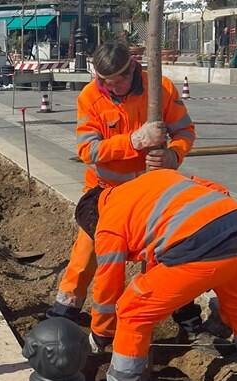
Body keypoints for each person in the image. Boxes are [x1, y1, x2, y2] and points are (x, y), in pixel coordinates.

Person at [75, 169, 237, 381]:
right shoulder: (151, 182)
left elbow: (108, 291)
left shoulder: (108, 222)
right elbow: (217, 189)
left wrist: (101, 334)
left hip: (201, 249)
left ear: (92, 221)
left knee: (132, 310)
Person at [46, 41, 196, 337]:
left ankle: (185, 313)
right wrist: (133, 142)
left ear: (133, 69)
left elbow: (185, 131)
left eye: (119, 80)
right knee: (88, 249)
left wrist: (173, 155)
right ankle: (65, 308)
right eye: (106, 82)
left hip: (153, 191)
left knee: (164, 251)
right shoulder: (90, 98)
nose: (113, 88)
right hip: (107, 191)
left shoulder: (160, 89)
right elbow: (88, 150)